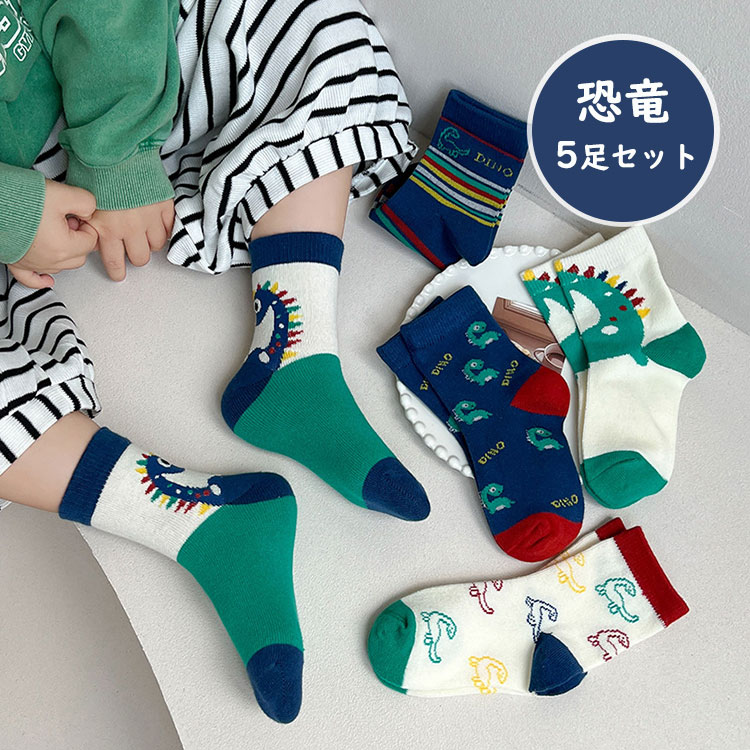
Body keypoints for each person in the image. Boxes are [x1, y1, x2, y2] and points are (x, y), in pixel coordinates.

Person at [0, 0, 428, 723]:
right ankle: (195, 518)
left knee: (312, 27)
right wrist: (12, 214)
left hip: (93, 94)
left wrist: (116, 151)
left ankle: (294, 355)